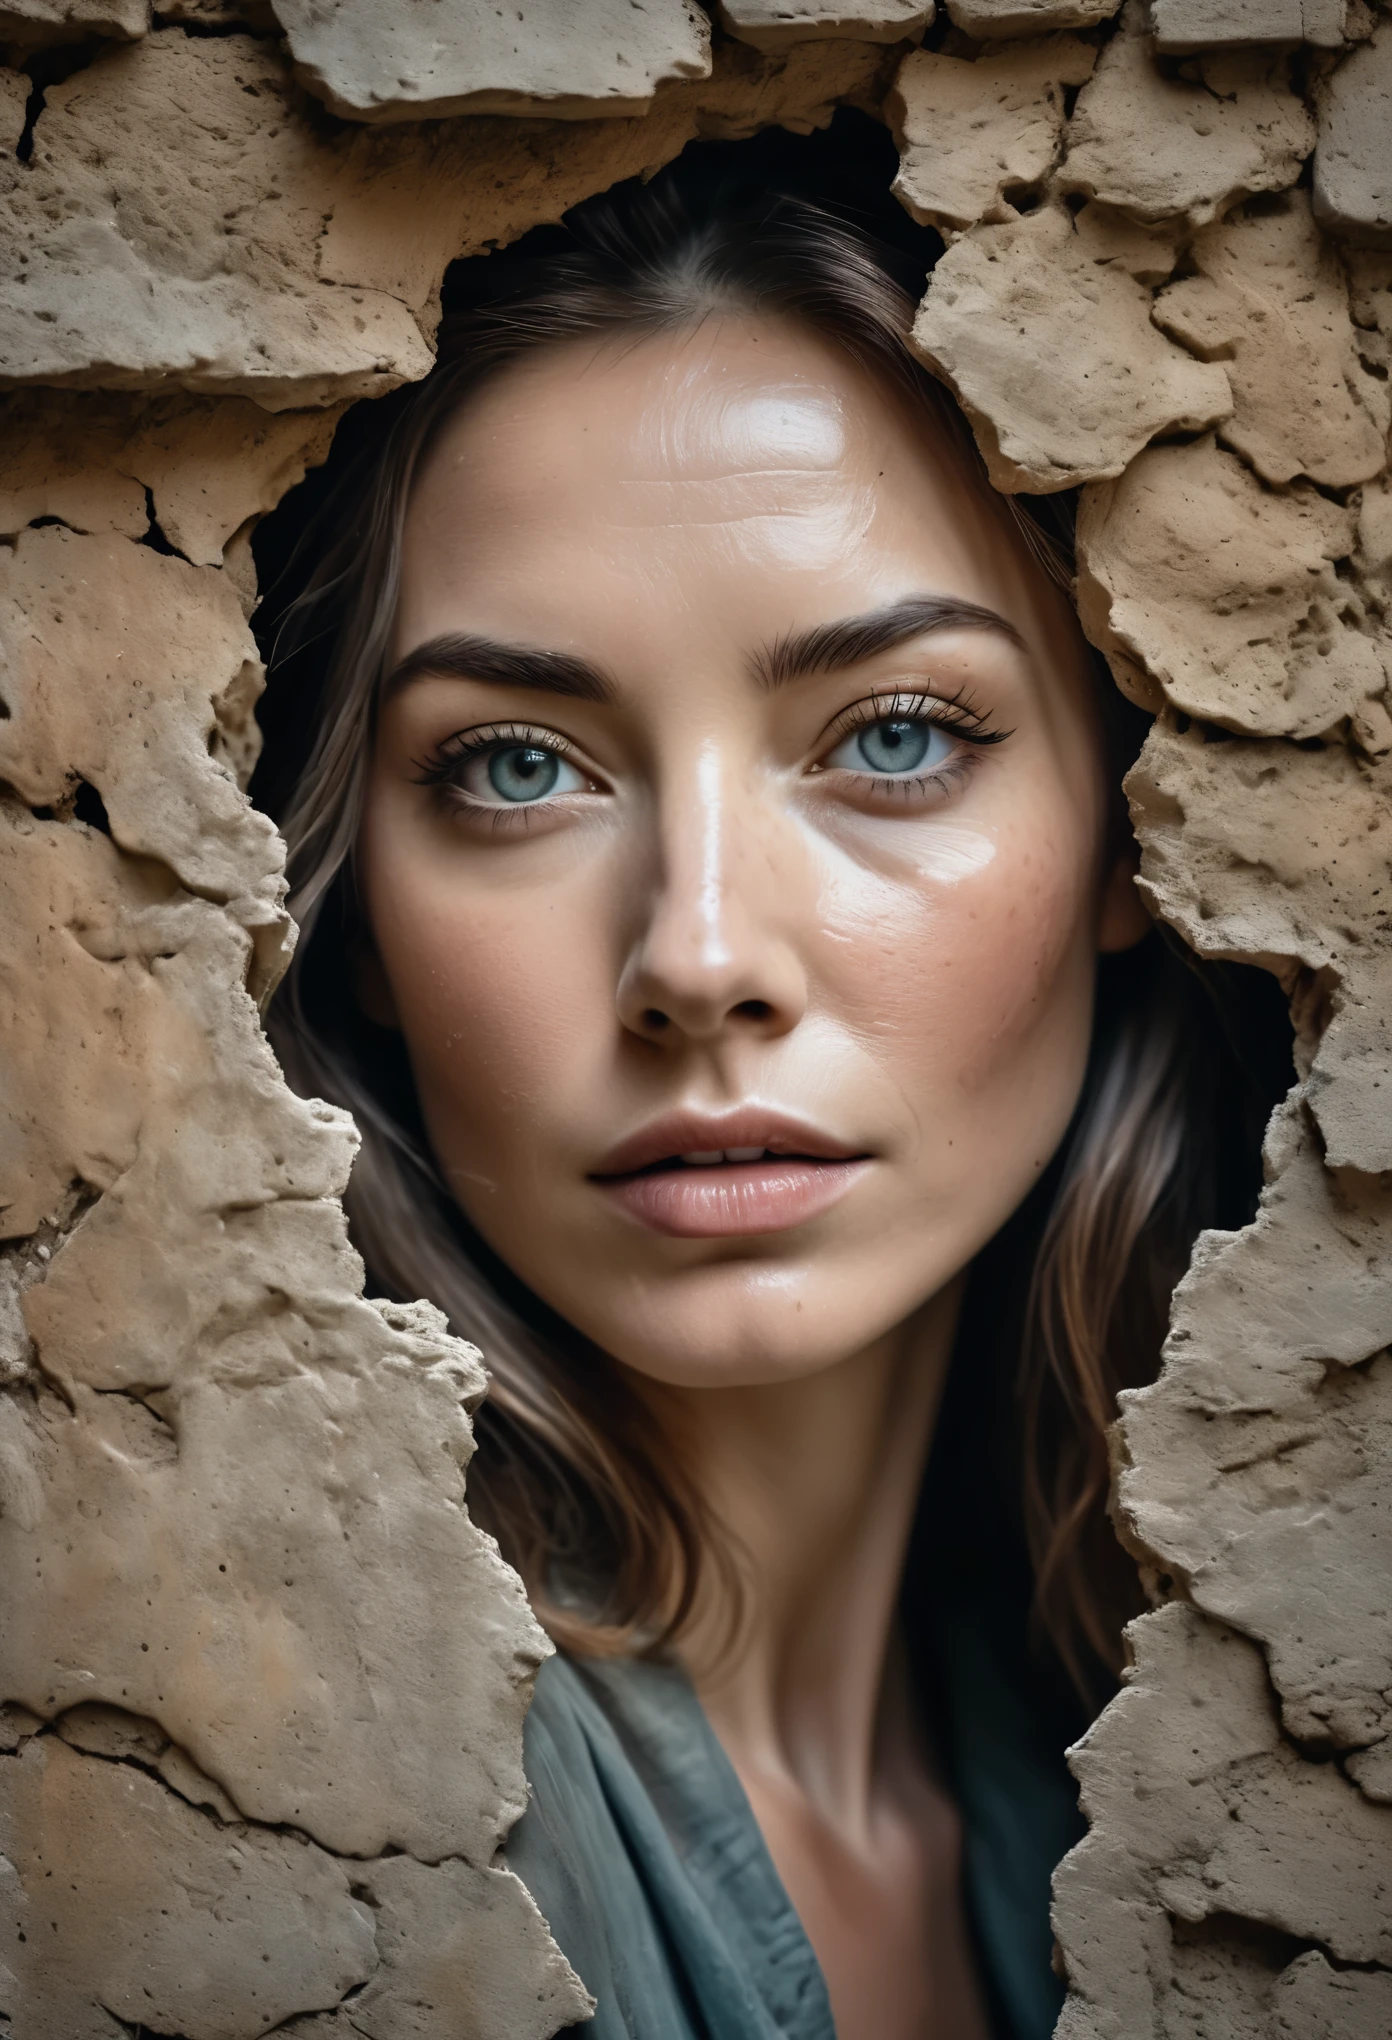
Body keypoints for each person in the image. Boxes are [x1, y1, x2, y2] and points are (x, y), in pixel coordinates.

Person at [255, 139, 1285, 2040]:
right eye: (512, 768)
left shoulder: (1132, 1743)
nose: (702, 957)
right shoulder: (320, 1842)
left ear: (1164, 834)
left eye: (894, 736)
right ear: (358, 925)